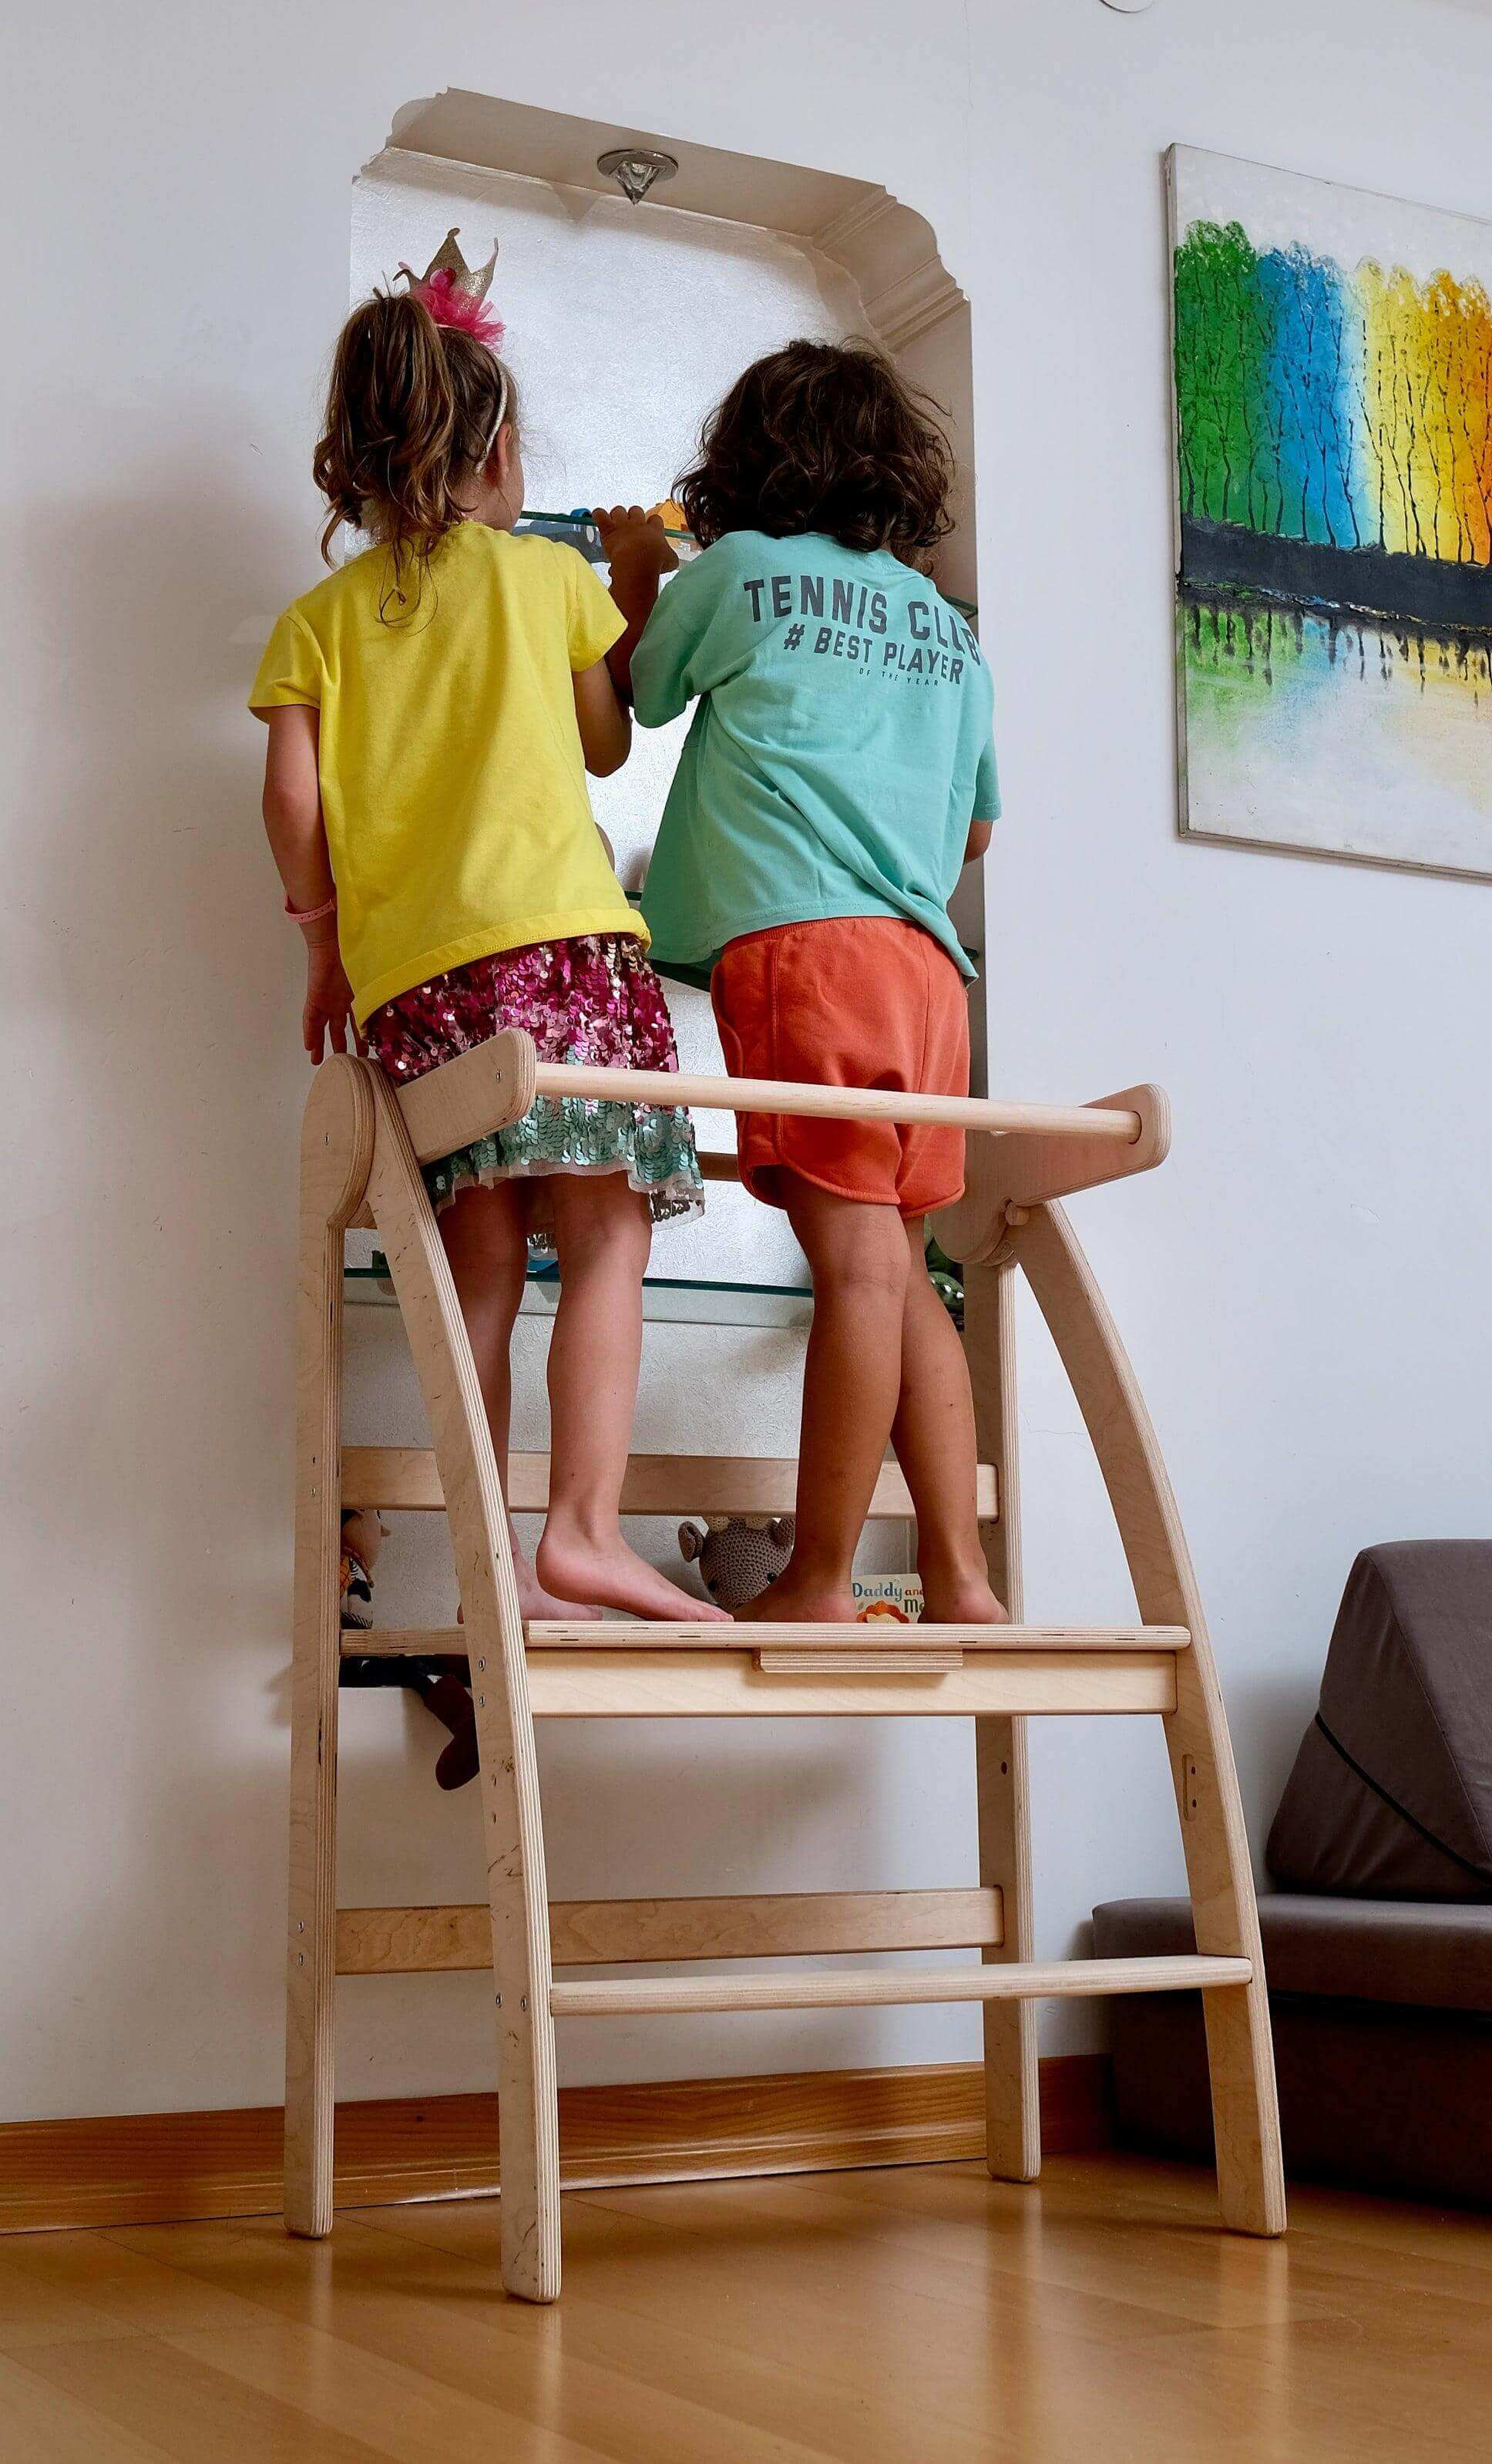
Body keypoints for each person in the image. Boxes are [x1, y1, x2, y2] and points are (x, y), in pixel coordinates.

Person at [251, 271, 724, 1626]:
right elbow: (603, 743)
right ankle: (581, 1528)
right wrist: (611, 594)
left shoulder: (317, 625)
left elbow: (292, 802)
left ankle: (484, 1556)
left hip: (419, 998)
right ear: (497, 453)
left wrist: (323, 947)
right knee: (606, 1239)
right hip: (562, 959)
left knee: (479, 1260)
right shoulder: (547, 575)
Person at [593, 338, 1005, 1627]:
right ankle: (962, 1577)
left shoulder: (741, 573)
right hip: (931, 973)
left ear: (750, 463)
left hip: (806, 953)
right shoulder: (949, 630)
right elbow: (978, 834)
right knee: (905, 1266)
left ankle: (820, 1575)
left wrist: (634, 579)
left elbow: (641, 699)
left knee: (854, 1269)